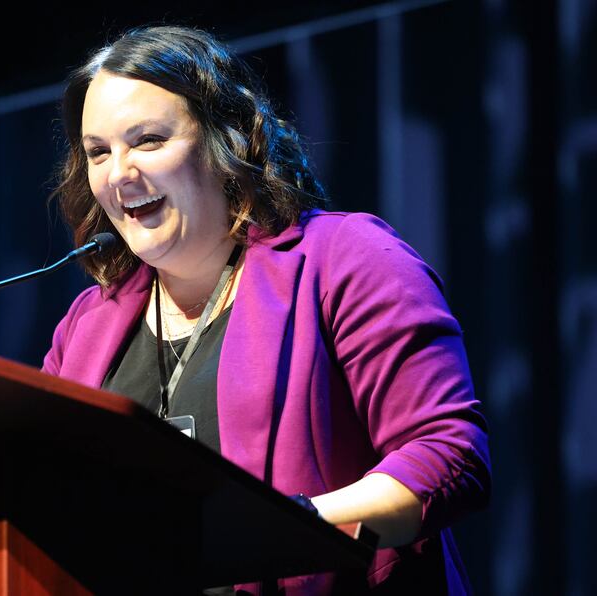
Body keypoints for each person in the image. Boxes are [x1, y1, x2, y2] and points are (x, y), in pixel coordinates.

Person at [42, 25, 490, 595]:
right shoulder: (86, 326)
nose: (119, 174)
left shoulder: (344, 260)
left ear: (226, 141)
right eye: (98, 152)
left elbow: (449, 456)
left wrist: (283, 530)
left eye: (148, 140)